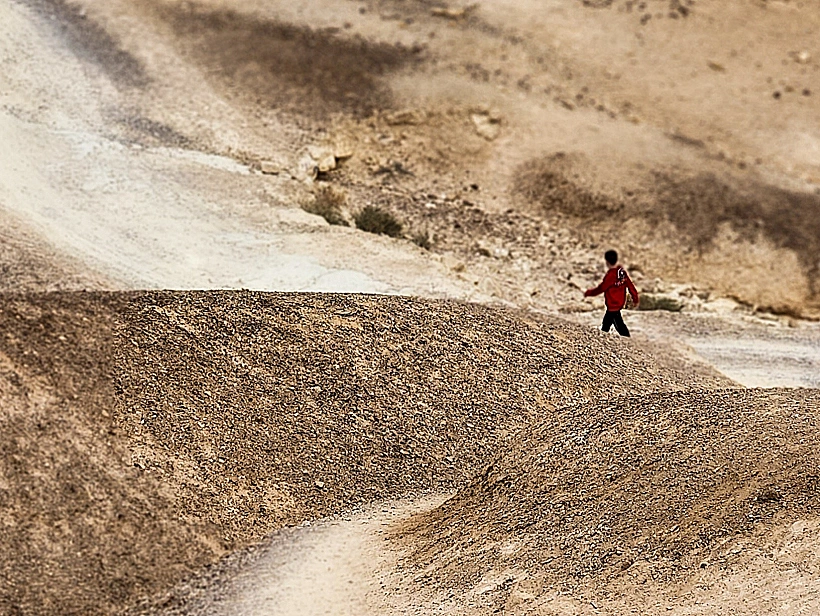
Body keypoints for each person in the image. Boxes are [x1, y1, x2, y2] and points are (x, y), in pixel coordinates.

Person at [584, 250, 639, 337]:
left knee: (619, 326)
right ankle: (603, 335)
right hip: (619, 303)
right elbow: (630, 286)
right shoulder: (622, 272)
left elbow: (601, 288)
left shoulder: (610, 275)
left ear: (606, 261)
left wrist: (588, 293)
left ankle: (627, 340)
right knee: (607, 323)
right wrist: (635, 298)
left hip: (613, 305)